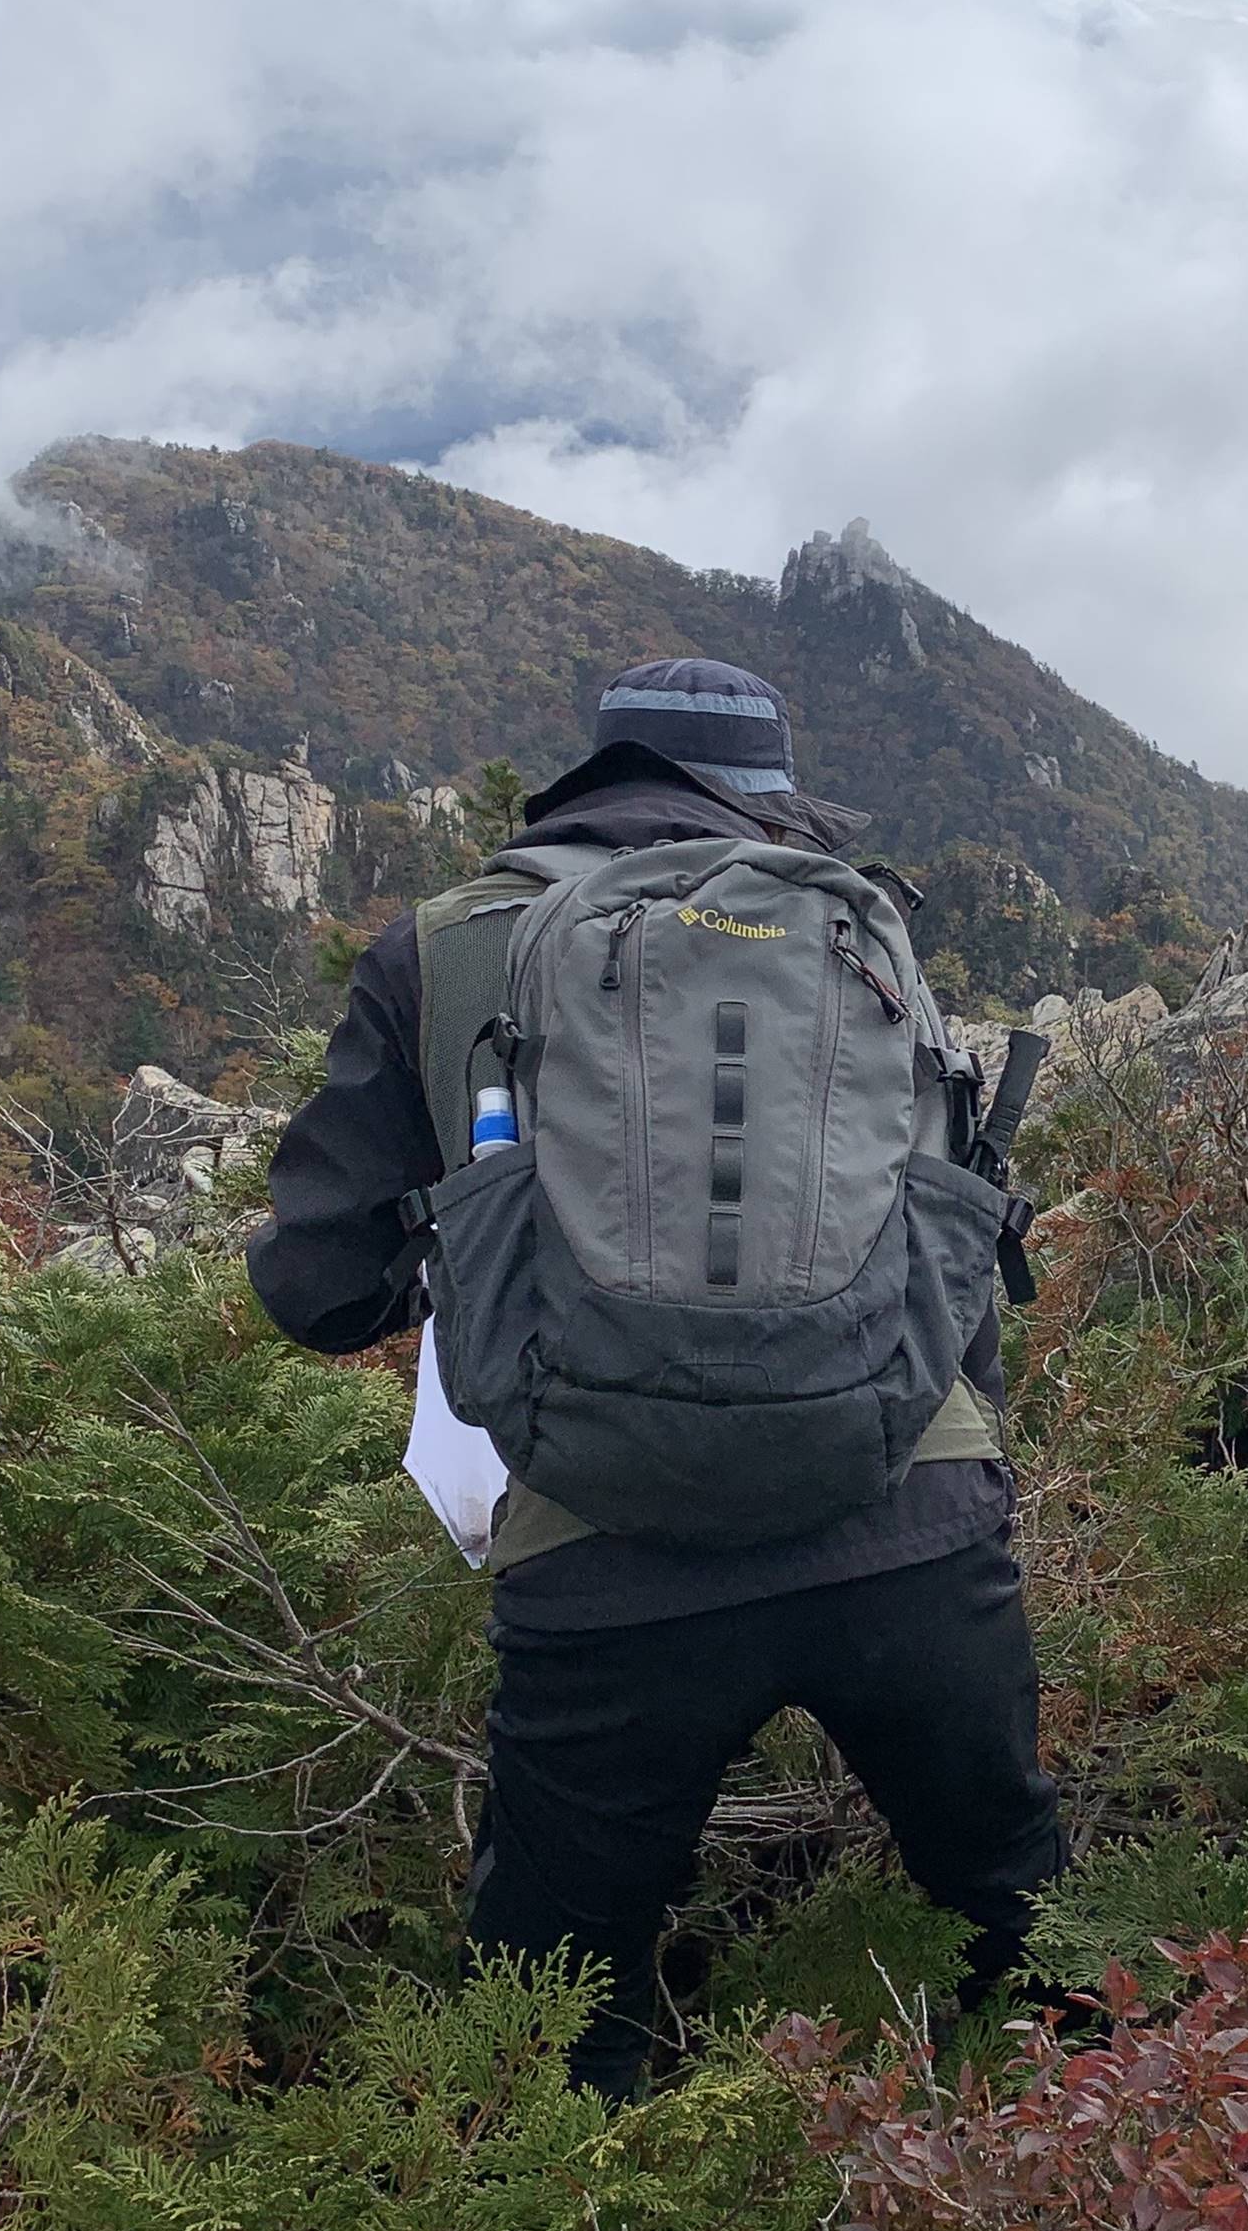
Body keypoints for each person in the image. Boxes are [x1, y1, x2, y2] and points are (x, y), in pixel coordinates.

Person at [248, 658, 1066, 2101]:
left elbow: (314, 1291)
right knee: (1027, 1916)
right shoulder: (853, 922)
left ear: (598, 769)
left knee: (555, 2011)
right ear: (764, 793)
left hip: (605, 1553)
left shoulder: (441, 949)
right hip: (910, 1517)